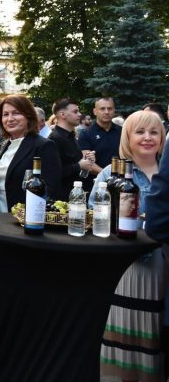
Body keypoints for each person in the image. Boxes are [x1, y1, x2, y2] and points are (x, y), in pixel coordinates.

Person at [90, 111, 166, 382]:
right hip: (126, 269)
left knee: (158, 335)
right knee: (127, 337)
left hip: (162, 266)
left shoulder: (166, 172)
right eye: (140, 132)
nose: (148, 138)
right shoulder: (111, 173)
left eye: (154, 132)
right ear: (127, 137)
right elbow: (94, 213)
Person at [0, 94, 62, 212]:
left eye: (16, 113)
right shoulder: (3, 145)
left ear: (28, 116)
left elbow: (50, 189)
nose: (10, 119)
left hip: (25, 217)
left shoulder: (43, 146)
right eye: (5, 114)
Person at [48, 98, 93, 196]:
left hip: (75, 195)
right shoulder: (54, 139)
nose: (80, 114)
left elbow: (73, 162)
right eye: (75, 111)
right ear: (62, 114)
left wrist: (87, 160)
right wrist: (79, 165)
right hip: (61, 199)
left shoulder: (71, 136)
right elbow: (52, 172)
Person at [78, 97, 122, 180]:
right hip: (96, 182)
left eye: (110, 109)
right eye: (102, 109)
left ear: (114, 111)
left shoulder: (122, 132)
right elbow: (88, 163)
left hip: (120, 181)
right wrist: (109, 176)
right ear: (95, 111)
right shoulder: (86, 134)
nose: (106, 112)